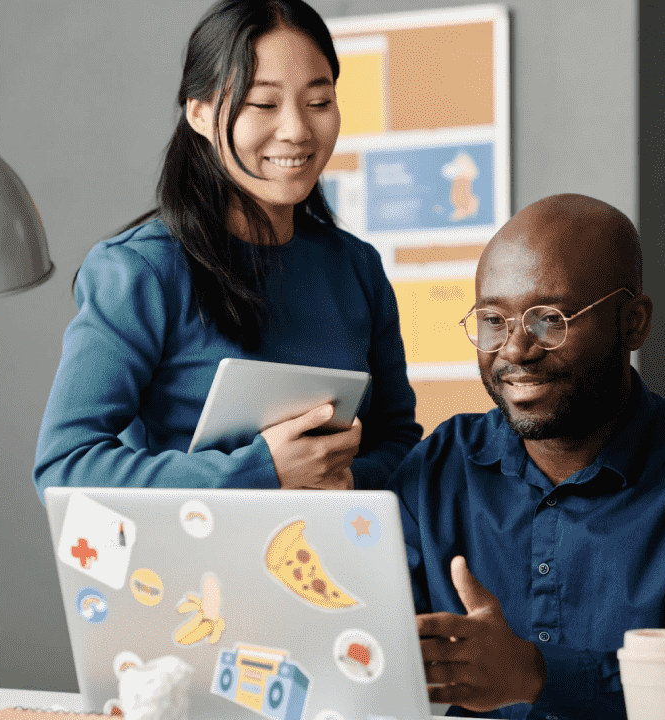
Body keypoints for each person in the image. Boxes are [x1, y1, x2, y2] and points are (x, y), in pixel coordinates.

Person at [390, 194, 665, 720]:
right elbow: (366, 655)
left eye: (550, 319)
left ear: (633, 323)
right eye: (494, 320)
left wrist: (536, 673)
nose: (516, 349)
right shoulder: (438, 469)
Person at [33, 0, 420, 499]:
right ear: (199, 112)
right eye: (263, 104)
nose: (298, 130)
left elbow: (401, 440)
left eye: (319, 103)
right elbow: (65, 467)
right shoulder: (140, 271)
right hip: (183, 571)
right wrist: (260, 471)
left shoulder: (356, 267)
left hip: (330, 567)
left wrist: (344, 479)